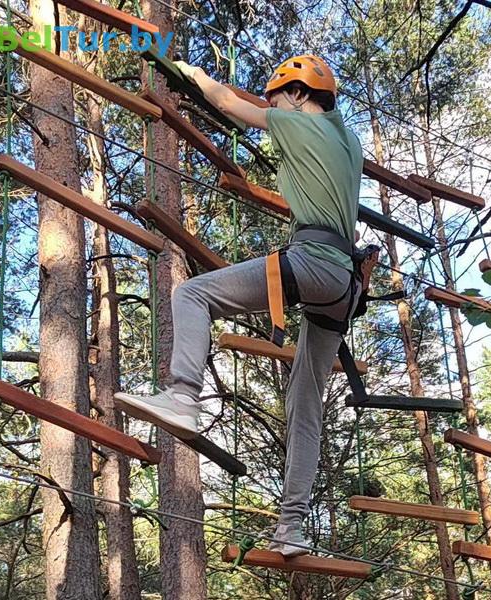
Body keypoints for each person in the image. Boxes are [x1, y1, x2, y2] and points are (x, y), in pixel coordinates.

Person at [115, 54, 364, 556]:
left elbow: (230, 103)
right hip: (345, 284)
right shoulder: (348, 141)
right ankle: (291, 528)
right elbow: (275, 109)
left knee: (194, 293)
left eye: (276, 98)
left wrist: (194, 75)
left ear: (296, 96)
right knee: (306, 405)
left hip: (312, 261)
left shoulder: (292, 119)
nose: (271, 108)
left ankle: (183, 395)